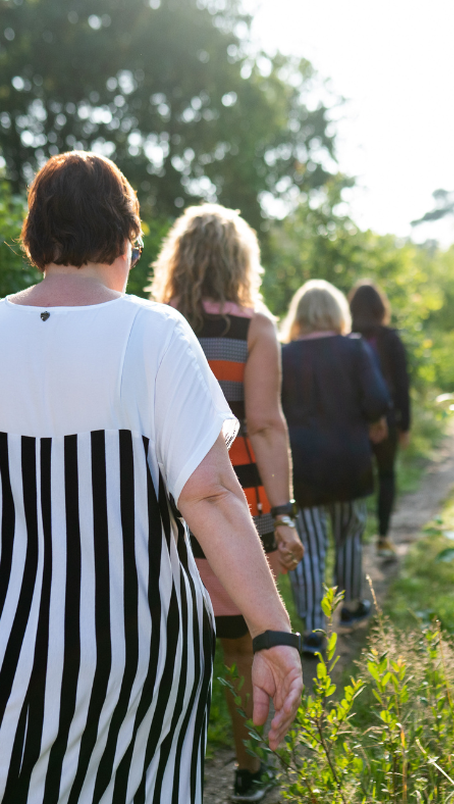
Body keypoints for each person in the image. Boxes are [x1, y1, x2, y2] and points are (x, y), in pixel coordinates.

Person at [0, 152, 303, 804]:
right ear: (123, 237)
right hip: (139, 646)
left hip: (12, 648)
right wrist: (273, 633)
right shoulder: (155, 331)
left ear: (36, 238)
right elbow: (210, 494)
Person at [149, 203, 303, 802]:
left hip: (164, 508)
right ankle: (248, 771)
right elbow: (263, 424)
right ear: (241, 261)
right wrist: (284, 516)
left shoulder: (154, 322)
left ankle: (165, 776)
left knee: (169, 649)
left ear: (179, 258)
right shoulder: (255, 329)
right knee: (242, 649)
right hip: (239, 508)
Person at [280, 280, 391, 656]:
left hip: (302, 465)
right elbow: (376, 399)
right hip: (349, 461)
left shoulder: (284, 354)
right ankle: (351, 606)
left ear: (298, 315)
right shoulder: (355, 348)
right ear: (336, 312)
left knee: (309, 547)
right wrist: (375, 420)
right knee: (349, 537)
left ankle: (313, 630)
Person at [349, 280, 411, 559]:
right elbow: (402, 384)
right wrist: (404, 424)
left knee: (357, 481)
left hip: (354, 420)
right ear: (380, 307)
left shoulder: (346, 338)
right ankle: (384, 538)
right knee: (386, 476)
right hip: (386, 417)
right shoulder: (390, 338)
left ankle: (353, 541)